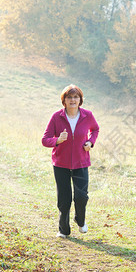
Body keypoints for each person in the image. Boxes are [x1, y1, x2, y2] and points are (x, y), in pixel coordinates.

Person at [42, 84, 99, 238]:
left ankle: (80, 220)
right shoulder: (56, 117)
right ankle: (63, 230)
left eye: (75, 97)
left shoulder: (87, 115)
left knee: (81, 196)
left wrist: (90, 142)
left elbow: (95, 129)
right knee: (64, 199)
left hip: (81, 163)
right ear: (64, 100)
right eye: (69, 97)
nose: (72, 100)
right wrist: (57, 140)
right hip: (61, 164)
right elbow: (45, 140)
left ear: (80, 100)